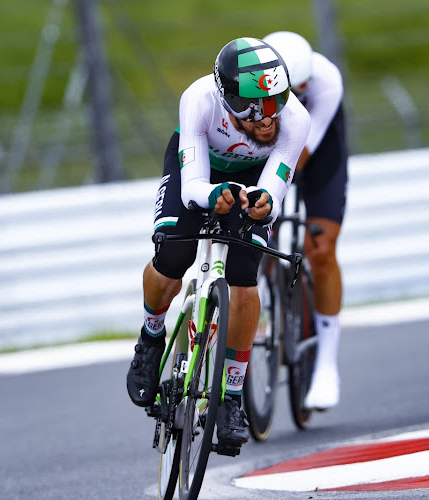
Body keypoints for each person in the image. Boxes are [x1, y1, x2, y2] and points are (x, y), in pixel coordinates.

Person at [126, 37, 310, 449]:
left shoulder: (295, 118)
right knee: (174, 253)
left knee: (245, 276)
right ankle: (151, 337)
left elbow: (274, 189)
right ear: (227, 98)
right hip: (199, 169)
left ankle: (229, 397)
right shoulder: (200, 99)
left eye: (275, 99)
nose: (267, 118)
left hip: (253, 175)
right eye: (253, 105)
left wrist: (263, 204)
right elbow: (192, 185)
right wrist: (212, 195)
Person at [262, 31, 348, 410]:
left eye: (303, 90)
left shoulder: (326, 81)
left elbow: (300, 156)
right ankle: (267, 294)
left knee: (321, 247)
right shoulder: (252, 78)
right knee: (252, 234)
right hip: (262, 135)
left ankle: (327, 362)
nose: (296, 97)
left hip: (316, 146)